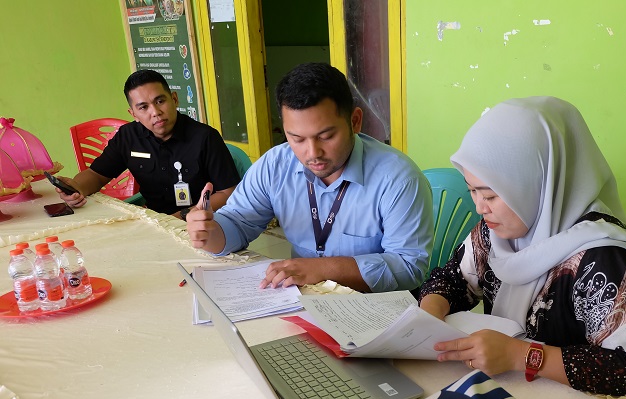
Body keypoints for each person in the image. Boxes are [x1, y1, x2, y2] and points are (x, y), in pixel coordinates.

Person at [419, 96, 626, 399]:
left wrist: (521, 355)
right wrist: (428, 316)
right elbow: (454, 279)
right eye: (472, 191)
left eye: (490, 196)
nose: (480, 207)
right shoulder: (498, 231)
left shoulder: (601, 255)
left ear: (537, 185)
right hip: (511, 394)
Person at [186, 63, 433, 293]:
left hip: (373, 306)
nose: (312, 153)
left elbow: (409, 267)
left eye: (326, 136)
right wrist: (209, 233)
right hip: (301, 299)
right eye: (297, 139)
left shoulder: (399, 179)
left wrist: (322, 269)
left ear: (355, 121)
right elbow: (238, 222)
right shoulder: (275, 165)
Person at [56, 69, 240, 219]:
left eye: (160, 101)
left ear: (174, 99)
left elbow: (228, 193)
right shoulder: (128, 136)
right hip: (154, 223)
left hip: (201, 223)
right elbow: (96, 175)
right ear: (133, 114)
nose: (155, 112)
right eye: (143, 107)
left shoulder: (205, 137)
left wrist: (182, 216)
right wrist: (76, 188)